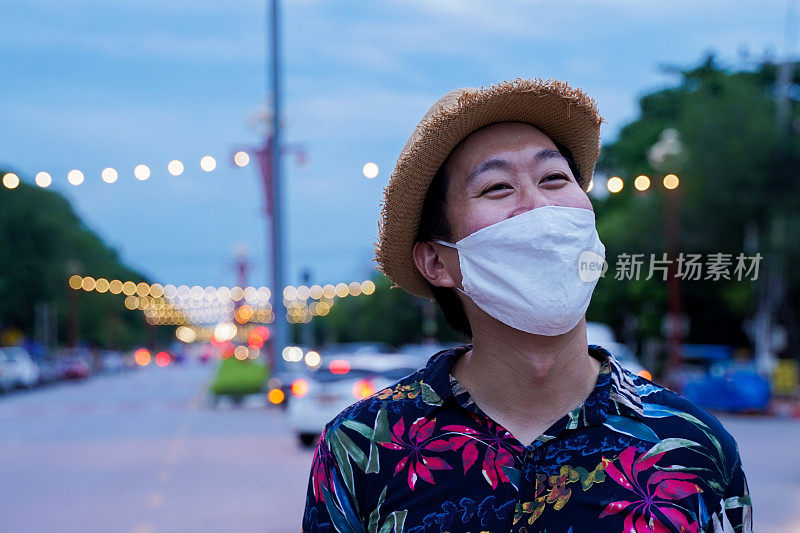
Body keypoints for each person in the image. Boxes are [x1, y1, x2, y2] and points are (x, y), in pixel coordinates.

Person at [302, 78, 752, 532]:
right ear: (437, 261)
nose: (539, 208)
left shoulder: (696, 446)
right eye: (497, 187)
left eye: (555, 179)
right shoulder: (361, 449)